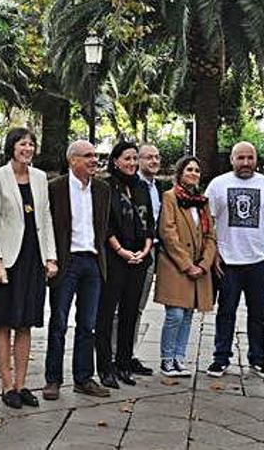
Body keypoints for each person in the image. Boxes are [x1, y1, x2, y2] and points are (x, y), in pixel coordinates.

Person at [0, 128, 57, 409]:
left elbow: (45, 217)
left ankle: (23, 385)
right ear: (11, 147)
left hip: (33, 258)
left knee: (26, 323)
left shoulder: (39, 178)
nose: (28, 148)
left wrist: (51, 257)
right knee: (4, 323)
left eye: (31, 144)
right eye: (23, 144)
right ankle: (6, 385)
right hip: (8, 259)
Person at [204, 142, 264, 380]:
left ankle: (258, 359)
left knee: (258, 312)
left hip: (259, 261)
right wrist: (214, 253)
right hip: (228, 262)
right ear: (232, 160)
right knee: (226, 311)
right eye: (241, 158)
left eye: (250, 157)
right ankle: (220, 359)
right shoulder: (218, 185)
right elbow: (207, 220)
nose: (246, 162)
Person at [44, 140, 112, 400]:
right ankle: (53, 380)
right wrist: (51, 260)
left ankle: (83, 378)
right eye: (88, 156)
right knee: (58, 322)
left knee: (88, 324)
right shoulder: (56, 188)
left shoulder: (103, 190)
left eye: (95, 155)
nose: (94, 160)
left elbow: (103, 227)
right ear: (72, 160)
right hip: (66, 262)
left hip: (93, 262)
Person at [96, 141, 154, 388]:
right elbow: (105, 224)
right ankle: (105, 367)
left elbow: (150, 221)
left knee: (131, 312)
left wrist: (145, 250)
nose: (131, 163)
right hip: (114, 258)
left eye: (134, 159)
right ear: (116, 160)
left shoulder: (142, 187)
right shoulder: (106, 186)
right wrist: (121, 251)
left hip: (139, 258)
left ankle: (123, 362)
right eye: (126, 159)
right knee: (107, 314)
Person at [154, 156, 217, 377]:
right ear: (179, 173)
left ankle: (179, 358)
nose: (193, 173)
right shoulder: (169, 197)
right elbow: (168, 233)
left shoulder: (203, 201)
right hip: (175, 265)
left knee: (189, 314)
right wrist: (187, 265)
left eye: (197, 170)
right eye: (189, 169)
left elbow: (210, 235)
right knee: (175, 315)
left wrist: (204, 264)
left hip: (199, 266)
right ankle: (166, 359)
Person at [131, 143, 164, 376]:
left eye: (156, 157)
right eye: (148, 157)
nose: (153, 161)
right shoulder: (131, 186)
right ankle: (113, 353)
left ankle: (128, 353)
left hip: (153, 250)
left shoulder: (157, 188)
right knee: (123, 306)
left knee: (139, 306)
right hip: (132, 252)